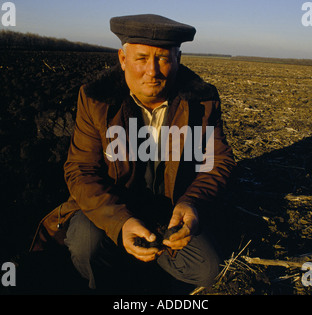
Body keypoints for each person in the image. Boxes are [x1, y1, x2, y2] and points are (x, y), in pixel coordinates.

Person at [30, 14, 235, 292]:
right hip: (111, 207)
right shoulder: (96, 99)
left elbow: (216, 162)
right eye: (141, 59)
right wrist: (121, 222)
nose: (152, 71)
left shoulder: (202, 99)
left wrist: (192, 204)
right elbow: (81, 169)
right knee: (85, 244)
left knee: (207, 268)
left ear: (179, 59)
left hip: (169, 211)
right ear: (123, 59)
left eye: (163, 58)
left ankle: (142, 274)